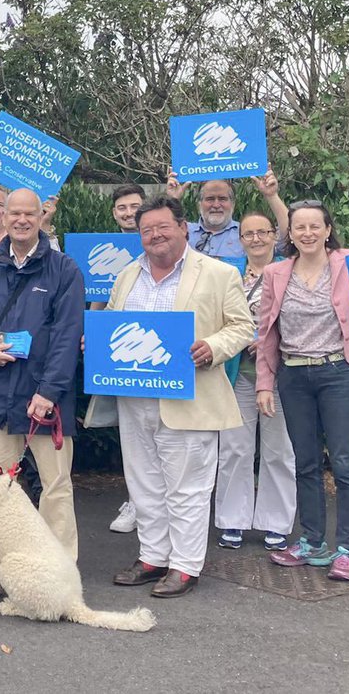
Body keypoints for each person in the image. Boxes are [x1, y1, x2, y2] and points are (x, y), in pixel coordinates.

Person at [106, 195, 252, 598]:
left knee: (188, 487)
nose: (155, 235)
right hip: (134, 397)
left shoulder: (220, 273)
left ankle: (185, 566)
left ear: (183, 227)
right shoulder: (126, 276)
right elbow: (115, 326)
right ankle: (153, 557)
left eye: (162, 227)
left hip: (190, 397)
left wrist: (213, 346)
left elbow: (242, 327)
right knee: (144, 484)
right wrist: (97, 344)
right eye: (146, 230)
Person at [0, 189, 84, 560]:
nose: (22, 220)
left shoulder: (64, 269)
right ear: (4, 217)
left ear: (41, 216)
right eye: (15, 213)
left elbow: (67, 336)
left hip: (44, 400)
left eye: (30, 213)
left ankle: (59, 567)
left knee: (56, 487)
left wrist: (48, 392)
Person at [257, 201, 349, 582]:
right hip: (294, 377)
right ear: (288, 234)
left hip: (340, 372)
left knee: (345, 464)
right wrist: (264, 383)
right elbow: (266, 334)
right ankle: (312, 542)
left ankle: (347, 551)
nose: (307, 233)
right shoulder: (276, 273)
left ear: (328, 229)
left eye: (315, 226)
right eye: (299, 227)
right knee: (305, 463)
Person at [214, 212, 296, 551]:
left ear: (275, 235)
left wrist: (267, 340)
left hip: (280, 374)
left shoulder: (290, 270)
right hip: (238, 374)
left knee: (279, 450)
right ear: (240, 238)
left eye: (264, 232)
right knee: (234, 448)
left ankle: (276, 522)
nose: (257, 239)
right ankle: (232, 519)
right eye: (249, 233)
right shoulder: (225, 275)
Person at [90, 183, 147, 535]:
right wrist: (91, 337)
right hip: (121, 349)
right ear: (114, 213)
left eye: (135, 206)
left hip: (157, 349)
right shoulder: (104, 250)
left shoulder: (162, 241)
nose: (129, 213)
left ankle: (158, 505)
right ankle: (136, 502)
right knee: (131, 435)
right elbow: (96, 298)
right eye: (122, 208)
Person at [166, 172, 290, 258]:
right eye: (210, 199)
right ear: (199, 204)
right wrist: (173, 199)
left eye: (222, 199)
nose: (216, 204)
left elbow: (288, 240)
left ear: (233, 203)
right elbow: (161, 234)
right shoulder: (182, 231)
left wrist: (271, 195)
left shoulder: (248, 233)